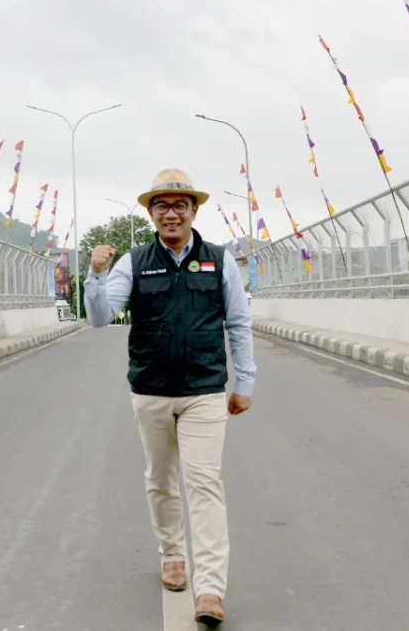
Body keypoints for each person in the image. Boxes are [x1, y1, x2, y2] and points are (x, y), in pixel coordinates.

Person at [84, 168, 254, 625]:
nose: (172, 213)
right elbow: (101, 318)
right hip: (152, 390)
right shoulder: (133, 261)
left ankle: (212, 588)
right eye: (162, 205)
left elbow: (237, 323)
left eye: (181, 204)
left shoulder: (220, 260)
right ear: (151, 213)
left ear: (195, 211)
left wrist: (245, 382)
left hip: (203, 390)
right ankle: (172, 555)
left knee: (204, 483)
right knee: (160, 479)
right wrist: (95, 276)